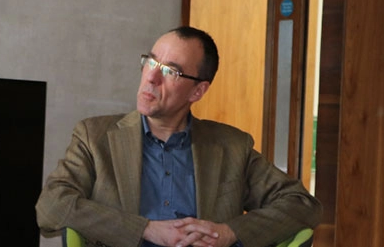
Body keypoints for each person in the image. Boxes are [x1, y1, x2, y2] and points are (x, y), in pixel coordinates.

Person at [35, 26, 321, 247]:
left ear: (197, 91)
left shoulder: (231, 146)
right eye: (151, 62)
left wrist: (229, 232)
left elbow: (301, 205)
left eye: (170, 71)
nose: (151, 78)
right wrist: (146, 229)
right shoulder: (95, 137)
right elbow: (50, 208)